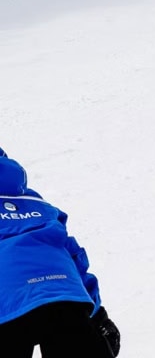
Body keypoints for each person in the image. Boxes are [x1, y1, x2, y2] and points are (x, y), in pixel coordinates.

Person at [0, 147, 121, 358]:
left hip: (7, 301)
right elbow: (72, 253)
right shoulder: (35, 201)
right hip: (63, 293)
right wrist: (97, 315)